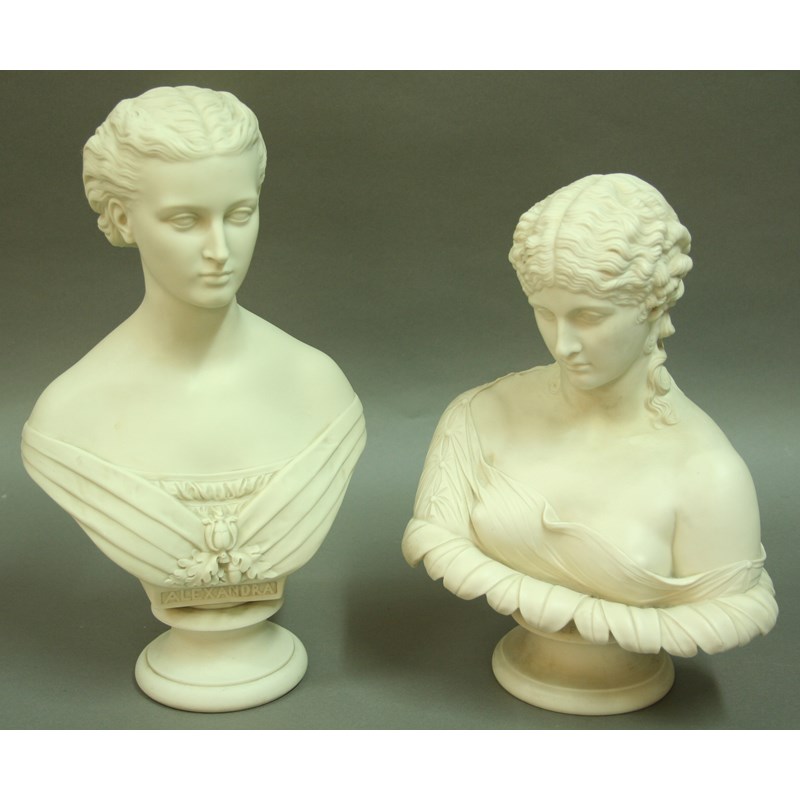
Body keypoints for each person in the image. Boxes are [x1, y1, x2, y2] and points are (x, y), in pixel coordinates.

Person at [403, 174, 776, 658]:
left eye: (589, 316)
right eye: (544, 312)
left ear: (652, 304)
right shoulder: (481, 415)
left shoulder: (709, 476)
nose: (563, 344)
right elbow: (434, 536)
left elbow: (728, 612)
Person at [23, 87, 366, 592]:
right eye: (186, 220)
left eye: (239, 214)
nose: (220, 249)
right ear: (122, 218)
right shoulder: (69, 414)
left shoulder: (319, 387)